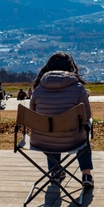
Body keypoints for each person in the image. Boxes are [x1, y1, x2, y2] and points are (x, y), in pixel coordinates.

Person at [29, 52, 94, 189]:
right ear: (71, 67)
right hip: (71, 139)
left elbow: (33, 115)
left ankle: (55, 172)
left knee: (50, 129)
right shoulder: (78, 88)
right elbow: (86, 116)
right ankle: (86, 174)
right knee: (84, 133)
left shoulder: (38, 89)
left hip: (42, 139)